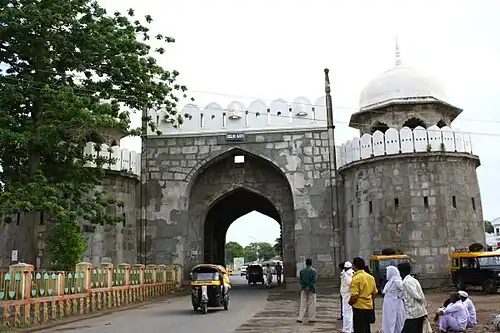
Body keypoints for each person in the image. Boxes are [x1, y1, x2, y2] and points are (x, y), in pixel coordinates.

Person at [398, 262, 432, 333]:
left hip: (413, 313)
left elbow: (417, 296)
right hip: (419, 312)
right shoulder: (414, 280)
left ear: (402, 272)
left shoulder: (406, 282)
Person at [349, 257, 377, 333]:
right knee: (367, 327)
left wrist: (350, 302)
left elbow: (354, 295)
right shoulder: (370, 277)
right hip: (368, 306)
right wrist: (369, 300)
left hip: (359, 307)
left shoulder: (356, 278)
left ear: (355, 266)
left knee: (358, 328)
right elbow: (374, 293)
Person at [381, 266, 406, 333]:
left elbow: (404, 290)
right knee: (388, 321)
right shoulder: (390, 281)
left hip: (394, 305)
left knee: (395, 321)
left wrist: (398, 296)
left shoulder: (396, 281)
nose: (386, 274)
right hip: (389, 305)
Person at [297, 258, 317, 323]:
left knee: (303, 304)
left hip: (303, 289)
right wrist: (309, 287)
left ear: (306, 263)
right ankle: (311, 318)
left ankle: (300, 318)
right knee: (312, 304)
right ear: (311, 263)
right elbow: (313, 281)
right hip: (312, 289)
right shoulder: (313, 271)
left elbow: (300, 280)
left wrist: (305, 287)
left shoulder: (302, 271)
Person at [341, 261, 354, 333]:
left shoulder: (348, 274)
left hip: (348, 295)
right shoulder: (346, 273)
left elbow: (350, 283)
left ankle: (348, 329)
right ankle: (347, 328)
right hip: (345, 295)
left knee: (347, 313)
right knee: (346, 312)